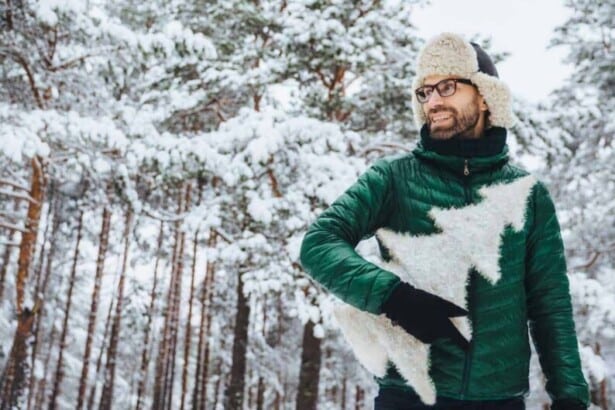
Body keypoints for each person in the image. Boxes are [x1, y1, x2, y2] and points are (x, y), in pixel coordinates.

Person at [299, 33, 589, 410]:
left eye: (447, 86)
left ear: (485, 95)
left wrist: (570, 397)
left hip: (499, 400)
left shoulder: (529, 194)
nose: (432, 100)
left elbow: (550, 304)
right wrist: (393, 297)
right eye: (424, 91)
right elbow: (319, 242)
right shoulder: (393, 178)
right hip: (409, 395)